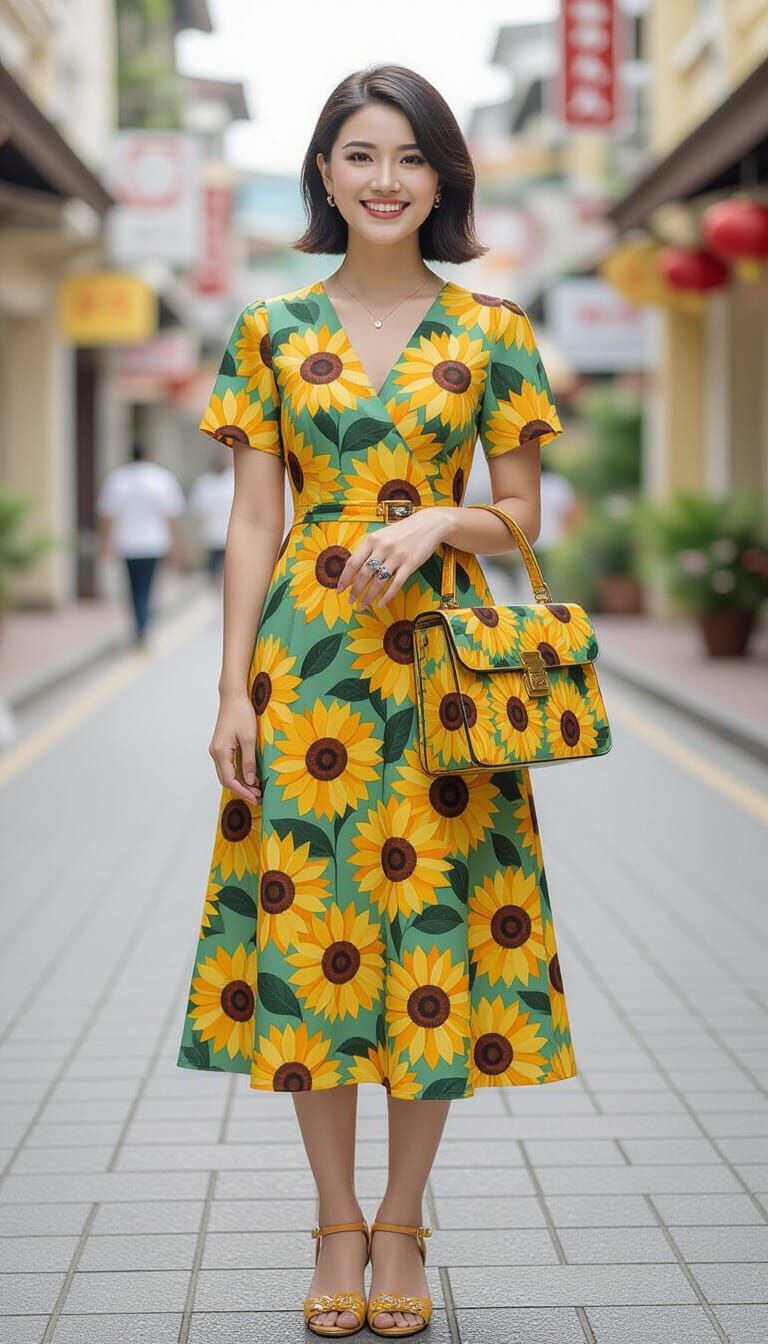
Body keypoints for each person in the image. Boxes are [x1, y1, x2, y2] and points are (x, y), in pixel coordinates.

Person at [176, 64, 577, 1339]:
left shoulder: (494, 331)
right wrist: (233, 686)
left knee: (435, 937)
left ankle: (403, 1222)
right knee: (316, 934)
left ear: (444, 178)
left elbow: (519, 522)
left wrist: (446, 519)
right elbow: (254, 521)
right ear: (324, 175)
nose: (386, 180)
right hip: (311, 664)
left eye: (409, 157)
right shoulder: (272, 331)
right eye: (360, 155)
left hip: (447, 672)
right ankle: (334, 1220)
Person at [96, 440, 185, 646]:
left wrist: (105, 542)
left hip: (127, 543)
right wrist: (176, 544)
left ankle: (140, 625)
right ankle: (144, 625)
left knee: (134, 588)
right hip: (154, 543)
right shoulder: (161, 478)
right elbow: (172, 514)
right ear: (147, 453)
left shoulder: (118, 479)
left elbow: (108, 515)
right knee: (147, 586)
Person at [188, 448, 235, 582]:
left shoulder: (234, 479)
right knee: (214, 573)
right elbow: (198, 511)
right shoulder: (205, 482)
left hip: (231, 536)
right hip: (212, 536)